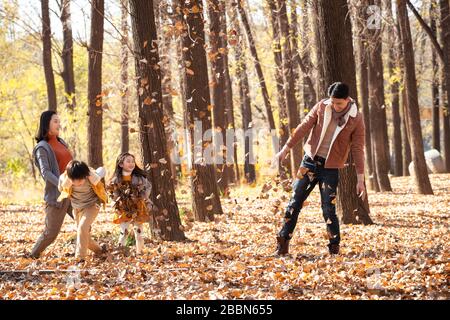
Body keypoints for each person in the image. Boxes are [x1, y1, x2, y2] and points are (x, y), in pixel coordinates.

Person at [274, 82, 366, 256]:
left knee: (328, 209)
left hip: (330, 168)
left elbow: (358, 148)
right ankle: (283, 242)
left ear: (347, 100)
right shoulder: (322, 107)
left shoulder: (356, 118)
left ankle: (334, 248)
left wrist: (360, 179)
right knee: (294, 202)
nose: (334, 106)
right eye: (332, 102)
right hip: (309, 162)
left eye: (339, 103)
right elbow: (303, 127)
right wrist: (286, 148)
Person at [29, 111, 73, 259]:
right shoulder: (42, 147)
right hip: (58, 195)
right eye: (55, 121)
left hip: (73, 192)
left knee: (84, 225)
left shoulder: (61, 142)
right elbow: (45, 172)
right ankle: (32, 255)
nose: (59, 124)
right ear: (46, 123)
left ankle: (98, 252)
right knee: (51, 234)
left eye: (59, 121)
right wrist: (61, 184)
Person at [58, 160, 108, 262]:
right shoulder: (66, 179)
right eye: (74, 180)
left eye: (80, 180)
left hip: (92, 205)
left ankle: (79, 259)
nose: (78, 183)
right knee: (83, 234)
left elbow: (102, 171)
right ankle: (99, 250)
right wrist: (67, 179)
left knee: (82, 227)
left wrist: (91, 173)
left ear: (85, 175)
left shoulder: (90, 176)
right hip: (77, 208)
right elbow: (61, 189)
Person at [107, 153, 154, 255]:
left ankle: (140, 252)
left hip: (138, 206)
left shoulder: (140, 178)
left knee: (139, 231)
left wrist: (142, 196)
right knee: (123, 231)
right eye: (128, 161)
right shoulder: (116, 180)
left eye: (133, 161)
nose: (131, 163)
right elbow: (113, 193)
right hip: (123, 208)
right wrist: (118, 201)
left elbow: (148, 187)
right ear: (121, 164)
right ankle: (120, 251)